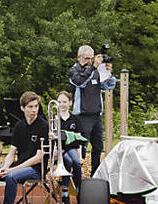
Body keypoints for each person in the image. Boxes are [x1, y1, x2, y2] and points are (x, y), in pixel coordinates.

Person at [0, 91, 47, 204]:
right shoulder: (19, 126)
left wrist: (12, 169)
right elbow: (11, 153)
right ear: (22, 108)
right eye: (30, 107)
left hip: (35, 169)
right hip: (17, 166)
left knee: (10, 176)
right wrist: (5, 167)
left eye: (36, 106)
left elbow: (38, 158)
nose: (34, 110)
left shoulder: (44, 126)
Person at [66, 44, 116, 173]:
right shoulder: (74, 71)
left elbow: (109, 86)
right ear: (79, 57)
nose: (90, 61)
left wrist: (109, 72)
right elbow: (80, 82)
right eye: (87, 58)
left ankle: (95, 175)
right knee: (81, 148)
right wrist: (94, 67)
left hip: (96, 115)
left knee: (98, 147)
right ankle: (76, 177)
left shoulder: (96, 71)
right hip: (82, 115)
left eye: (92, 58)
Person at [54, 91, 83, 201]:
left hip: (72, 148)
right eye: (59, 102)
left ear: (70, 103)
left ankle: (79, 188)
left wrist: (80, 155)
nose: (62, 104)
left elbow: (79, 137)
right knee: (68, 161)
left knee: (76, 162)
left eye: (64, 102)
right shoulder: (55, 119)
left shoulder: (75, 119)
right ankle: (65, 193)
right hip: (60, 150)